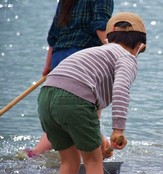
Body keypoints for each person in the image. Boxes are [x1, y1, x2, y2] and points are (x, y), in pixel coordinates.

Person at [37, 12, 147, 174]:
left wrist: (101, 141)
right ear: (141, 46)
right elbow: (120, 89)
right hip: (74, 100)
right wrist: (118, 129)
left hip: (46, 97)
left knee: (69, 161)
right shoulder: (127, 58)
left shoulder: (93, 53)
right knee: (93, 161)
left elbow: (85, 107)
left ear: (107, 40)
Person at [17, 0, 114, 159]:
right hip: (85, 60)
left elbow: (54, 35)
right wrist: (112, 49)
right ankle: (95, 158)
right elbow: (100, 23)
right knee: (87, 119)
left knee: (64, 121)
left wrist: (48, 66)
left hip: (60, 58)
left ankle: (33, 154)